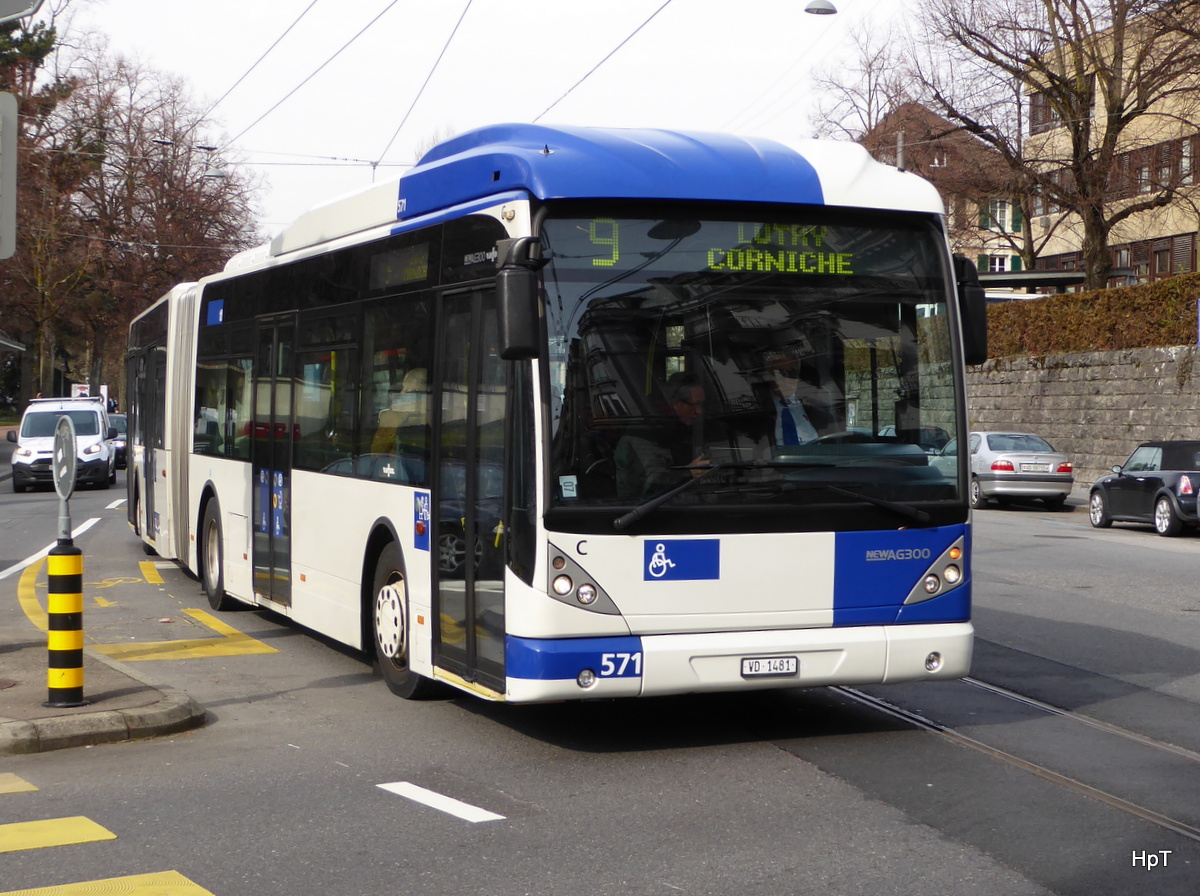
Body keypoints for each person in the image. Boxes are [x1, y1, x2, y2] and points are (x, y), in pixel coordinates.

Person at [615, 372, 718, 497]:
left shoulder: (680, 428)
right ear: (675, 403)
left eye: (701, 405)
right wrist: (689, 473)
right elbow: (653, 487)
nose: (699, 411)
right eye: (695, 405)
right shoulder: (644, 434)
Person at [767, 356, 834, 447]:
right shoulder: (762, 406)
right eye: (778, 374)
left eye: (790, 374)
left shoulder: (814, 405)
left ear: (797, 378)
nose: (784, 380)